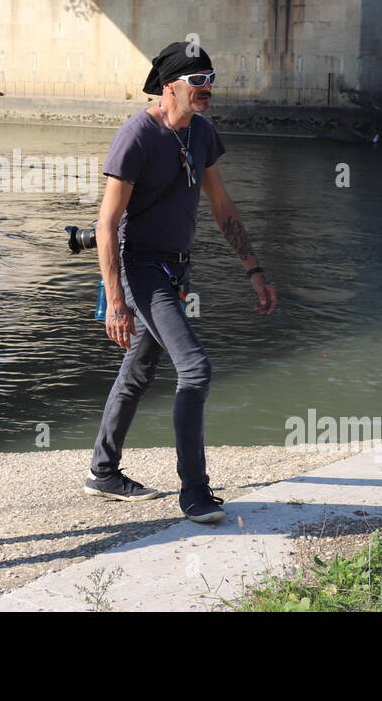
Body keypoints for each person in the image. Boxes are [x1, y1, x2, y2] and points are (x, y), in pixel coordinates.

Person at [85, 42, 278, 523]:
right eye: (197, 80)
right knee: (194, 368)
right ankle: (194, 491)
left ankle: (102, 471)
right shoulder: (136, 135)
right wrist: (115, 301)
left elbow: (222, 207)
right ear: (169, 85)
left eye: (211, 78)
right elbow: (106, 223)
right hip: (140, 266)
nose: (207, 88)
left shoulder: (203, 134)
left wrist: (254, 270)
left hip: (177, 266)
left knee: (140, 367)